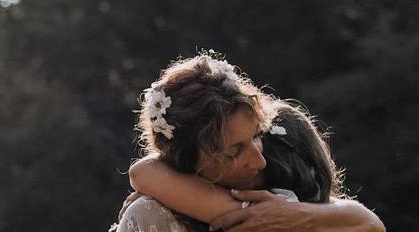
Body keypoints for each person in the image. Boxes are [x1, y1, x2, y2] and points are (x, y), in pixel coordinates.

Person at [115, 53, 385, 232]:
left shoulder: (287, 142)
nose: (259, 160)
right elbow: (142, 171)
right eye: (233, 152)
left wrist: (301, 215)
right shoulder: (154, 211)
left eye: (257, 136)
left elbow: (370, 224)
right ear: (188, 161)